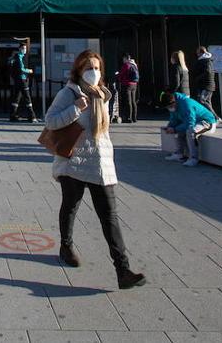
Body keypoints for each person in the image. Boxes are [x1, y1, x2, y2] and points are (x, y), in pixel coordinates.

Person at [44, 50, 146, 290]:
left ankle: (123, 270)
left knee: (109, 215)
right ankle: (66, 246)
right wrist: (75, 108)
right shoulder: (69, 93)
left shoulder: (103, 94)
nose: (93, 72)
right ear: (79, 70)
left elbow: (103, 132)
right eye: (89, 68)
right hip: (74, 161)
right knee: (70, 206)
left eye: (97, 68)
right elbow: (50, 121)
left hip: (100, 162)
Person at [163, 91, 218, 167]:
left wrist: (174, 129)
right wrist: (170, 126)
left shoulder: (187, 104)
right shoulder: (174, 105)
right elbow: (174, 119)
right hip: (196, 122)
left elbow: (189, 124)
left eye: (169, 106)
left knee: (191, 132)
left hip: (207, 122)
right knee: (179, 130)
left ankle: (193, 158)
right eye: (167, 108)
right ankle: (179, 154)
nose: (169, 108)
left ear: (174, 102)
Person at [118, 54, 140, 124]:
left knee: (128, 101)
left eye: (123, 59)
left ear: (126, 58)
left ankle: (128, 118)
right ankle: (134, 118)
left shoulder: (126, 65)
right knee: (133, 101)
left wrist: (119, 77)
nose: (123, 60)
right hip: (134, 85)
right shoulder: (134, 64)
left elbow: (121, 74)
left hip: (127, 84)